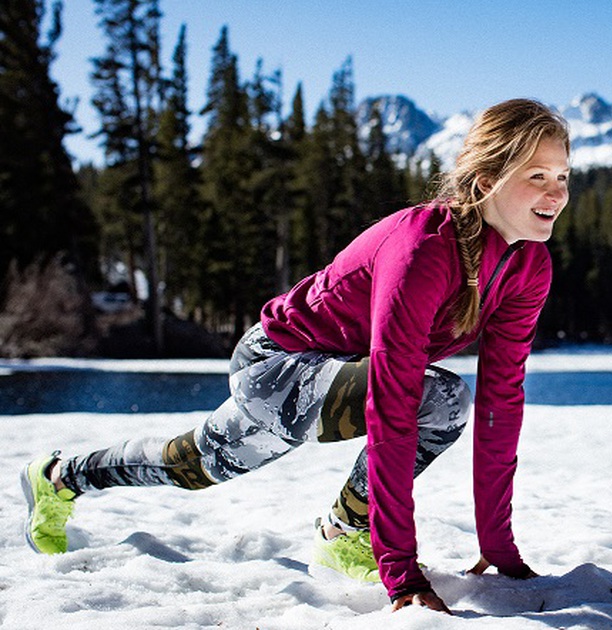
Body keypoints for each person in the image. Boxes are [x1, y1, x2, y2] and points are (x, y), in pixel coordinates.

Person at [19, 98, 572, 614]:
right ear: (485, 181)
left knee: (199, 465)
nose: (556, 194)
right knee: (436, 397)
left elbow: (503, 399)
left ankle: (337, 534)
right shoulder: (425, 247)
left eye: (564, 177)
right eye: (537, 177)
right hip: (277, 364)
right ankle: (61, 477)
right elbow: (393, 397)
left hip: (335, 377)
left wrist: (500, 548)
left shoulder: (529, 267)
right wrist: (400, 574)